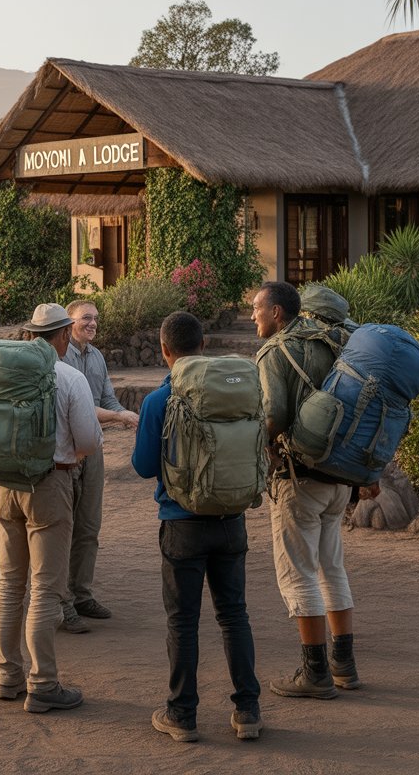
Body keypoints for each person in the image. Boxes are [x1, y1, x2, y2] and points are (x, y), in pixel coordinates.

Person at [132, 311, 262, 742]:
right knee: (234, 616)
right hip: (232, 520)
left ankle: (182, 715)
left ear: (165, 350)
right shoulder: (234, 395)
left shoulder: (158, 401)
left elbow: (143, 465)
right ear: (203, 346)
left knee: (183, 622)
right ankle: (247, 712)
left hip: (181, 524)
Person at [252, 281, 378, 697]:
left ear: (278, 313)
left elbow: (274, 414)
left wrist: (262, 449)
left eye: (257, 308)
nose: (253, 315)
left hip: (299, 477)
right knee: (332, 567)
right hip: (340, 478)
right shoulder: (344, 348)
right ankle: (345, 665)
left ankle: (315, 673)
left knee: (299, 573)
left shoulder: (276, 351)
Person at [0, 303, 102, 713]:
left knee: (8, 585)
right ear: (60, 336)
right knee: (45, 589)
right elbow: (88, 440)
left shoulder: (4, 372)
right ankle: (43, 683)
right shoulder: (69, 376)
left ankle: (7, 676)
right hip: (50, 484)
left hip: (5, 485)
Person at [60, 299, 139, 633]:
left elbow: (107, 400)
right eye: (85, 318)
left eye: (95, 318)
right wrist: (120, 417)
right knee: (63, 528)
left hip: (92, 449)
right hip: (64, 452)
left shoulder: (96, 356)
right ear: (68, 322)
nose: (92, 324)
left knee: (89, 527)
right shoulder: (57, 357)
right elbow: (80, 408)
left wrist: (130, 417)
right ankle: (61, 603)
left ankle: (81, 595)